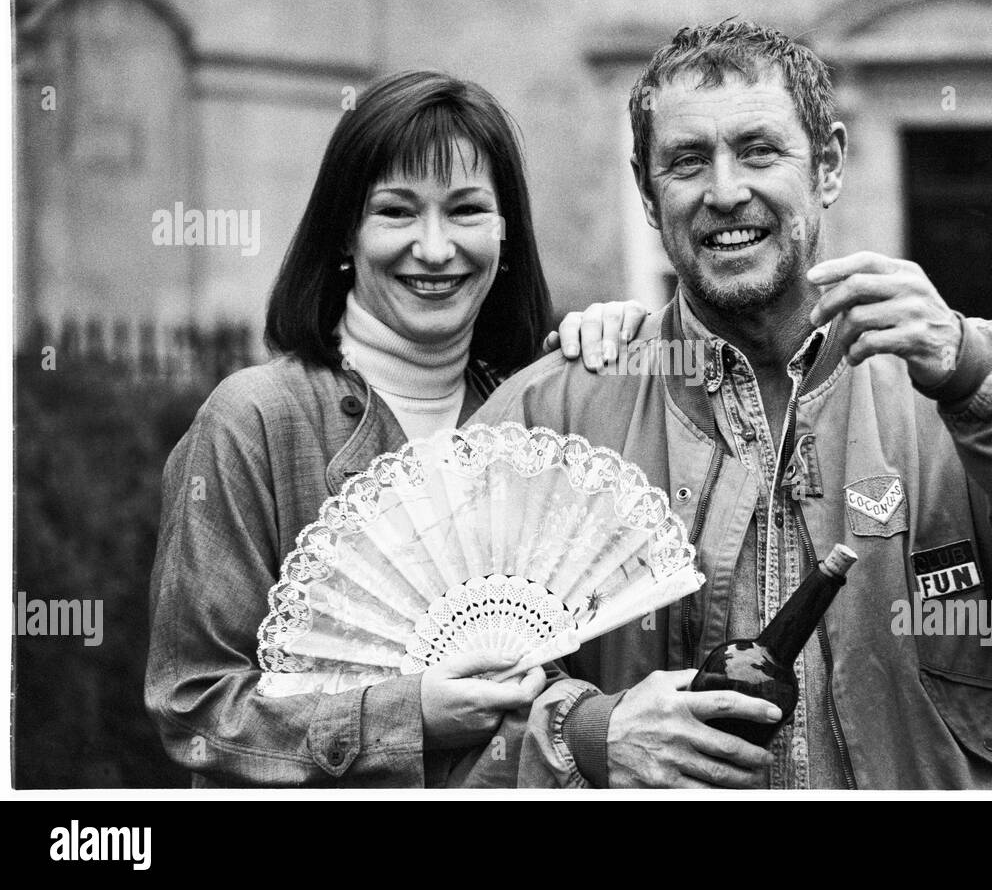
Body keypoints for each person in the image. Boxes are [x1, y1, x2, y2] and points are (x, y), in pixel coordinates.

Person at [467, 20, 992, 789]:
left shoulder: (955, 388)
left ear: (829, 165)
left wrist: (977, 373)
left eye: (759, 150)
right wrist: (586, 732)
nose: (725, 191)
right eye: (686, 162)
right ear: (648, 195)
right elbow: (432, 704)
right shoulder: (560, 412)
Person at [145, 70, 646, 786]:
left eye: (467, 209)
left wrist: (639, 350)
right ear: (346, 234)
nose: (436, 248)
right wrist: (404, 714)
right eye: (398, 211)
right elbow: (193, 708)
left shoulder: (540, 417)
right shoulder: (251, 422)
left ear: (505, 234)